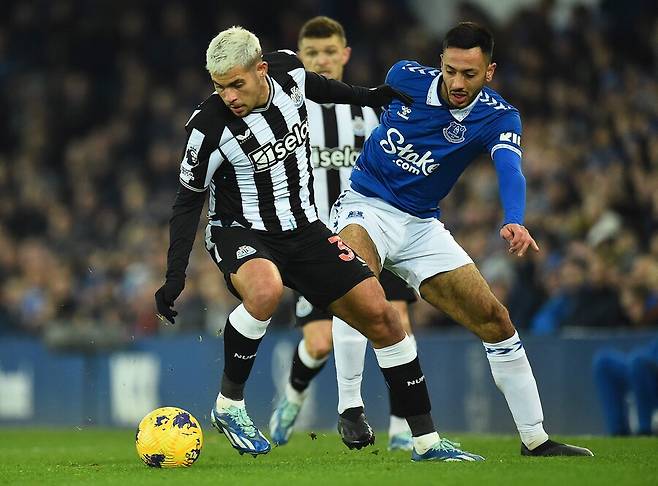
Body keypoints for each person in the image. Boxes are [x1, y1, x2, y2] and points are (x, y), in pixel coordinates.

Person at [155, 25, 484, 462]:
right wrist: (174, 274)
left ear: (262, 70)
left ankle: (425, 441)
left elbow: (322, 86)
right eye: (220, 87)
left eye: (237, 84)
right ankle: (229, 405)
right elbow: (186, 202)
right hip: (241, 230)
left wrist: (369, 96)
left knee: (384, 317)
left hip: (306, 231)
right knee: (266, 290)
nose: (229, 96)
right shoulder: (207, 127)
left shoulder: (291, 71)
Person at [329, 22, 593, 457]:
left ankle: (535, 439)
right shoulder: (404, 79)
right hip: (365, 205)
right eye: (450, 70)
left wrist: (515, 219)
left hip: (420, 226)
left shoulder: (499, 115)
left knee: (496, 319)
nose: (456, 82)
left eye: (469, 74)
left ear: (489, 72)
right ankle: (351, 408)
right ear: (440, 63)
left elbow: (510, 168)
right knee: (355, 285)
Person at [268, 16, 416, 452]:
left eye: (330, 52)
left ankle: (403, 428)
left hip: (373, 233)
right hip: (314, 242)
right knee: (320, 342)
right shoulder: (285, 109)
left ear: (345, 54)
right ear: (299, 57)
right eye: (312, 54)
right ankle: (293, 396)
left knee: (397, 321)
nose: (322, 61)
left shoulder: (371, 108)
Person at [593, 339, 658, 436]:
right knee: (603, 362)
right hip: (647, 362)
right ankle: (619, 433)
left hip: (650, 371)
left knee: (638, 362)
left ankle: (645, 431)